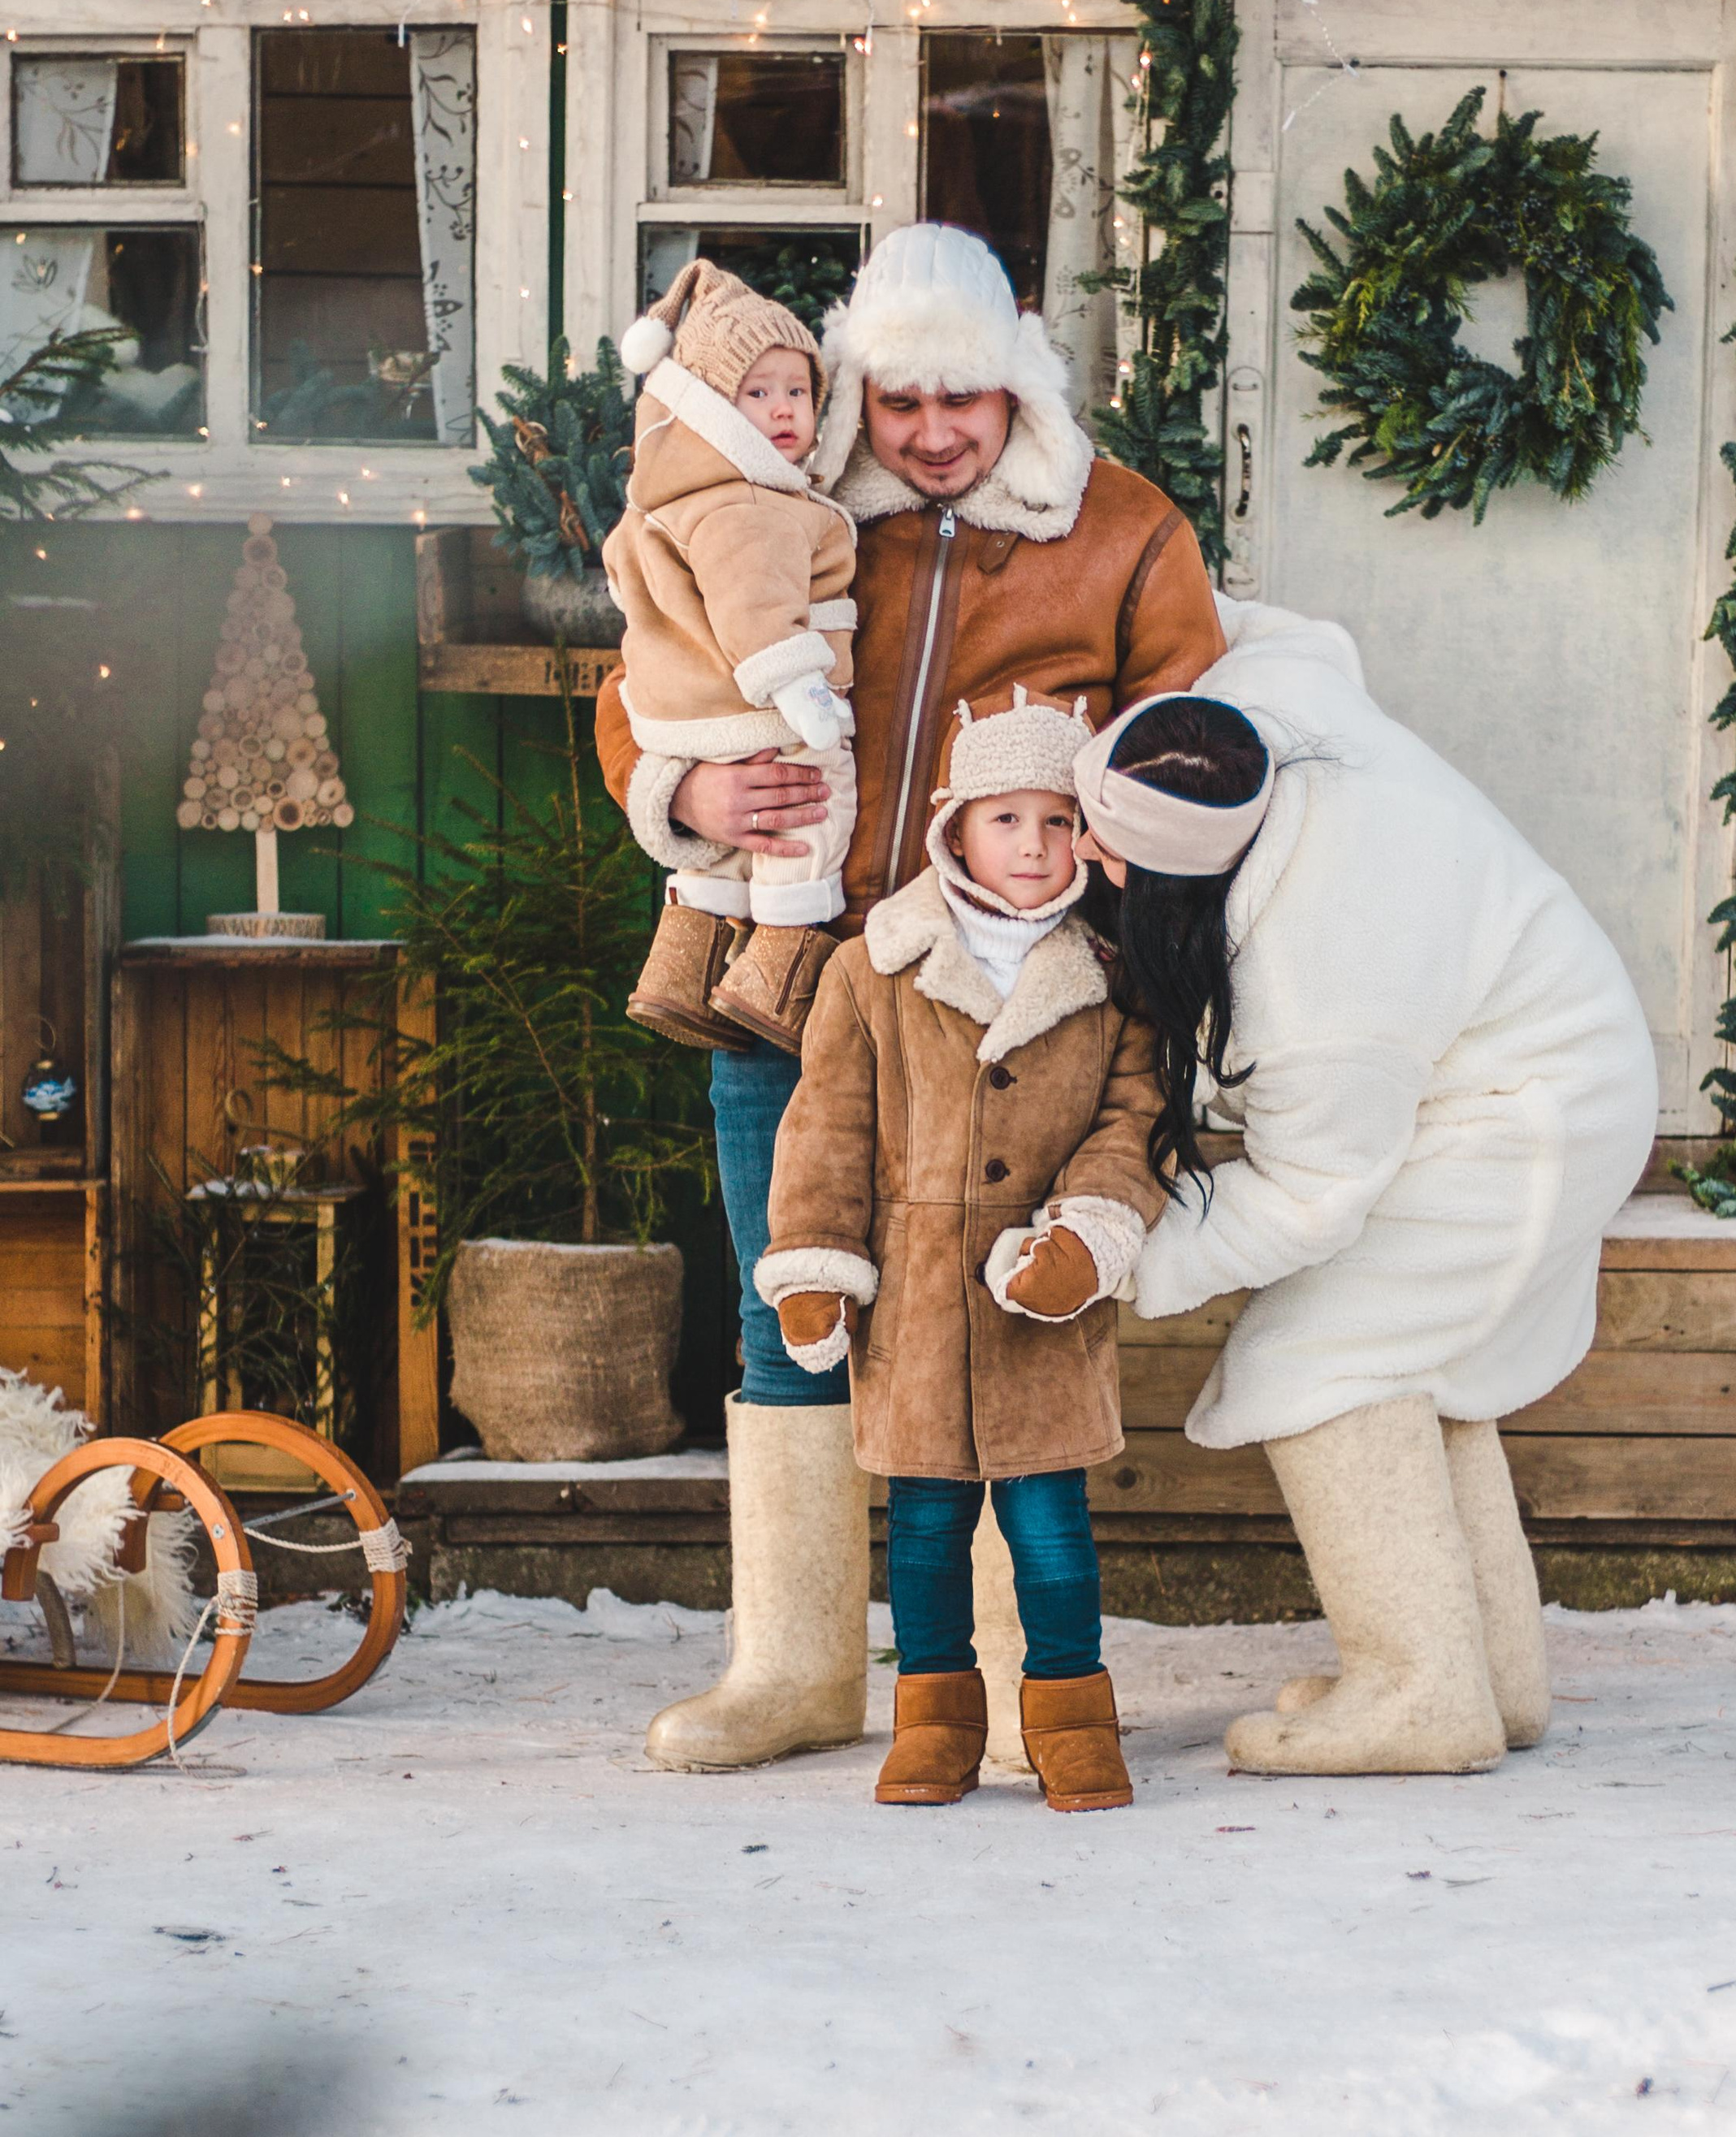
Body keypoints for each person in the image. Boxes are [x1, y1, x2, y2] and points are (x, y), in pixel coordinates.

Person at [592, 221, 1223, 1769]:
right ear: (859, 396)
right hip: (801, 971)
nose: (935, 436)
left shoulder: (1125, 532)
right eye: (901, 405)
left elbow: (1196, 745)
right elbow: (640, 687)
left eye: (968, 403)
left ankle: (1014, 1680)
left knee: (1010, 1312)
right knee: (786, 1305)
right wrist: (685, 796)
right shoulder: (785, 513)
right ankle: (795, 1668)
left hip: (1023, 997)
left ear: (1016, 389)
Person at [1070, 600, 1659, 1777]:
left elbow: (1306, 1197)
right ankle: (1490, 1678)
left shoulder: (1313, 977)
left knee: (1321, 1363)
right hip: (1525, 1067)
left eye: (1100, 848)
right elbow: (1286, 624)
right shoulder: (1269, 708)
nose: (1078, 854)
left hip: (1521, 1121)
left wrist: (1121, 1257)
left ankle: (1418, 1695)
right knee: (1410, 1371)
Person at [756, 694, 1171, 1811]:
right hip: (917, 1309)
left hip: (1044, 1311)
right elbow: (826, 1130)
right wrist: (813, 1268)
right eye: (1005, 819)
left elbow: (1130, 1126)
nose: (1032, 845)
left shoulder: (1109, 976)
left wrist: (1086, 1234)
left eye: (1056, 820)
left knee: (1053, 1539)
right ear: (955, 828)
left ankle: (1072, 1718)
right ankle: (935, 1720)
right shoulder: (872, 969)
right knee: (928, 1538)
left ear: (1088, 836)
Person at [606, 257, 858, 1053]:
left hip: (700, 716)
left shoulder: (689, 496)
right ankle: (776, 974)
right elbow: (750, 615)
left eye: (799, 393)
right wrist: (678, 795)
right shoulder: (756, 504)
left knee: (743, 854)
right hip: (768, 709)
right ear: (713, 408)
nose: (783, 410)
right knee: (813, 811)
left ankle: (682, 969)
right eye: (757, 393)